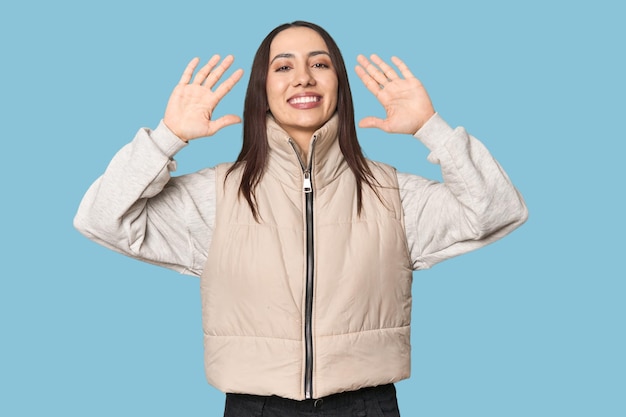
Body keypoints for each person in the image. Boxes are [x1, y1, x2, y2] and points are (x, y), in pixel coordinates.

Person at [74, 20, 528, 417]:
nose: (304, 78)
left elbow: (495, 210)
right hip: (254, 406)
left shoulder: (393, 194)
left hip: (367, 405)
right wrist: (167, 138)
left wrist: (432, 126)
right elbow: (102, 217)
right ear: (263, 89)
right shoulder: (216, 196)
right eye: (284, 66)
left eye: (321, 64)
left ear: (338, 84)